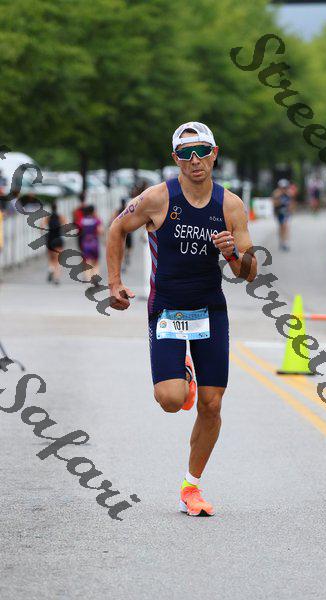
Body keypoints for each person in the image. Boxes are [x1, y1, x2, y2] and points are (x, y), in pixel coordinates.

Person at [106, 121, 257, 516]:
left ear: (214, 154)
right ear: (175, 158)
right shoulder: (157, 198)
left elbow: (249, 272)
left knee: (211, 404)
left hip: (210, 310)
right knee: (171, 400)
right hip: (167, 309)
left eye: (202, 151)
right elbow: (117, 228)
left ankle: (192, 486)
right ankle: (183, 375)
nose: (195, 160)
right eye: (186, 153)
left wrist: (231, 253)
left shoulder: (230, 206)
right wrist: (115, 282)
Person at [43, 202, 67, 284]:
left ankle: (51, 269)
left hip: (50, 238)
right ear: (57, 208)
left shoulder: (48, 218)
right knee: (57, 260)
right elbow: (66, 227)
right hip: (58, 239)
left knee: (51, 258)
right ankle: (56, 278)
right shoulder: (61, 217)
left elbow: (42, 227)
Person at [80, 205, 103, 281]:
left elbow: (78, 231)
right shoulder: (96, 220)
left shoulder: (82, 220)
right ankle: (95, 278)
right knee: (96, 263)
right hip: (94, 242)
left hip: (86, 243)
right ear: (93, 211)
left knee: (88, 262)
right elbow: (101, 231)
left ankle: (88, 279)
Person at [112, 198, 134, 272]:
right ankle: (128, 255)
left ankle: (124, 264)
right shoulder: (129, 210)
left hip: (121, 231)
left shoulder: (117, 211)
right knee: (130, 247)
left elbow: (113, 219)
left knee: (122, 248)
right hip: (129, 231)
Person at [272, 178, 294, 251]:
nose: (284, 189)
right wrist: (279, 200)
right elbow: (274, 203)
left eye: (285, 188)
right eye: (283, 188)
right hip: (279, 213)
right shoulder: (276, 193)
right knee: (281, 227)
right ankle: (281, 241)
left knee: (285, 226)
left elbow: (291, 203)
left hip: (286, 213)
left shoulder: (289, 193)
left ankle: (285, 242)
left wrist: (290, 210)